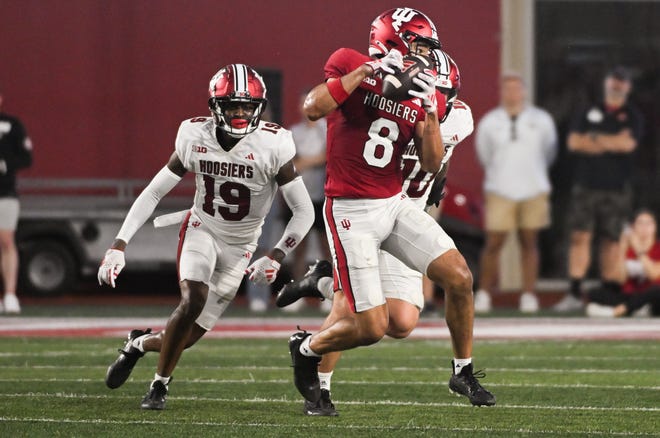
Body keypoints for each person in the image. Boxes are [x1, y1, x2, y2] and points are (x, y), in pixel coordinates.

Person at [287, 7, 495, 411]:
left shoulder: (427, 93)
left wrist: (431, 111)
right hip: (351, 209)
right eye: (416, 43)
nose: (423, 54)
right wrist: (369, 73)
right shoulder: (351, 61)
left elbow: (432, 162)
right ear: (391, 39)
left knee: (451, 282)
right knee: (369, 325)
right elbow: (313, 108)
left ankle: (463, 370)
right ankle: (310, 356)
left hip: (396, 203)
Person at [97, 64, 314, 410]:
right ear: (215, 106)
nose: (240, 112)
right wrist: (118, 245)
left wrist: (275, 255)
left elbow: (304, 211)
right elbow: (153, 194)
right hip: (203, 229)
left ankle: (137, 344)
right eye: (232, 105)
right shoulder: (194, 136)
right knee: (192, 298)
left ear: (259, 106)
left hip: (242, 245)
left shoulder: (274, 143)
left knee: (186, 337)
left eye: (247, 105)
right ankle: (159, 386)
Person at [554, 66, 644, 312]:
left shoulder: (633, 115)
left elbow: (627, 144)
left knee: (612, 239)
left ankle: (609, 292)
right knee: (580, 236)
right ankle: (574, 290)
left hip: (617, 187)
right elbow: (574, 142)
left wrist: (593, 139)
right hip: (586, 185)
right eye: (615, 80)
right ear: (607, 82)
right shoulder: (587, 111)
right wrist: (610, 141)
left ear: (628, 87)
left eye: (622, 82)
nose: (617, 85)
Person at [474, 73, 558, 314]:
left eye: (516, 89)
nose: (512, 93)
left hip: (534, 188)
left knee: (529, 243)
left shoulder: (542, 120)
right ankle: (484, 293)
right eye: (507, 89)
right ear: (502, 92)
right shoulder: (490, 122)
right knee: (493, 243)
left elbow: (549, 152)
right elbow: (485, 155)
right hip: (500, 189)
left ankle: (529, 295)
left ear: (524, 91)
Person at [286, 90, 331, 311]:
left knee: (327, 247)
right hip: (300, 195)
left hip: (323, 194)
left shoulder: (326, 129)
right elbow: (290, 159)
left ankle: (331, 295)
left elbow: (326, 155)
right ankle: (298, 294)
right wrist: (302, 163)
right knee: (298, 246)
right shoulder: (294, 132)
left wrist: (305, 163)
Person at [586, 209, 660, 317]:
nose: (644, 227)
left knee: (657, 291)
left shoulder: (657, 248)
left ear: (655, 227)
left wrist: (639, 249)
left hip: (652, 295)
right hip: (631, 295)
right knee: (595, 293)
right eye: (640, 223)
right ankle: (637, 309)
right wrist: (622, 249)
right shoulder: (628, 249)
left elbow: (654, 275)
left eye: (648, 223)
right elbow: (620, 279)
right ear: (633, 227)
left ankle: (620, 311)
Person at [0, 90, 33, 314]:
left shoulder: (11, 124)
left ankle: (10, 294)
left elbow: (27, 157)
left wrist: (6, 164)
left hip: (5, 192)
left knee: (6, 240)